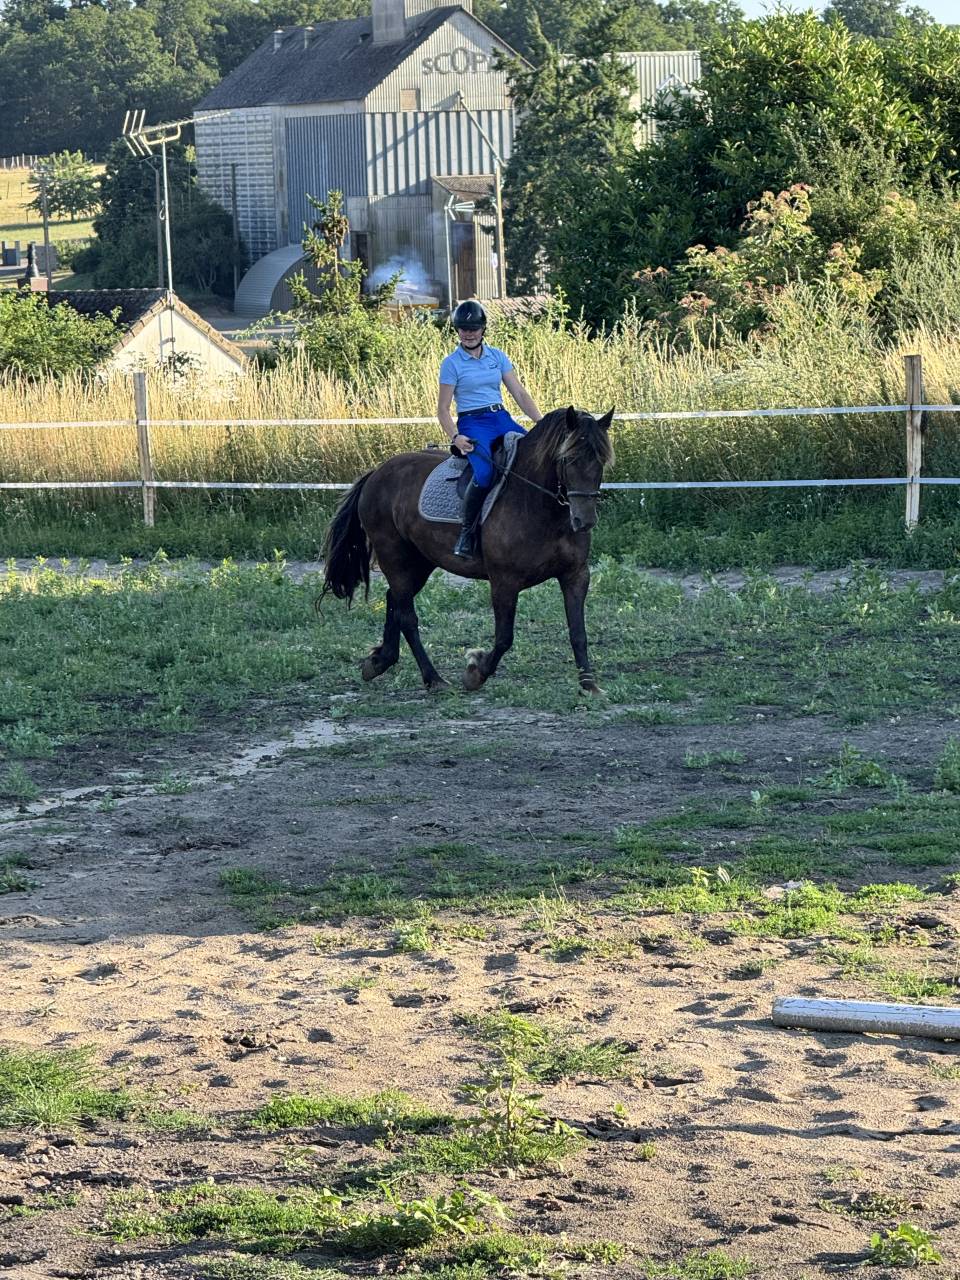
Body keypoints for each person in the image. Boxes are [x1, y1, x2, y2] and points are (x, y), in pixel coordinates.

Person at [437, 299, 543, 558]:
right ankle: (467, 534)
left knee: (536, 458)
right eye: (463, 328)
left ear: (483, 329)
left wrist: (541, 423)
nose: (469, 333)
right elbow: (443, 409)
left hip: (501, 417)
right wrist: (456, 436)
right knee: (484, 473)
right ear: (457, 330)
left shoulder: (497, 356)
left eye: (473, 328)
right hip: (473, 422)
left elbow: (518, 391)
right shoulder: (451, 364)